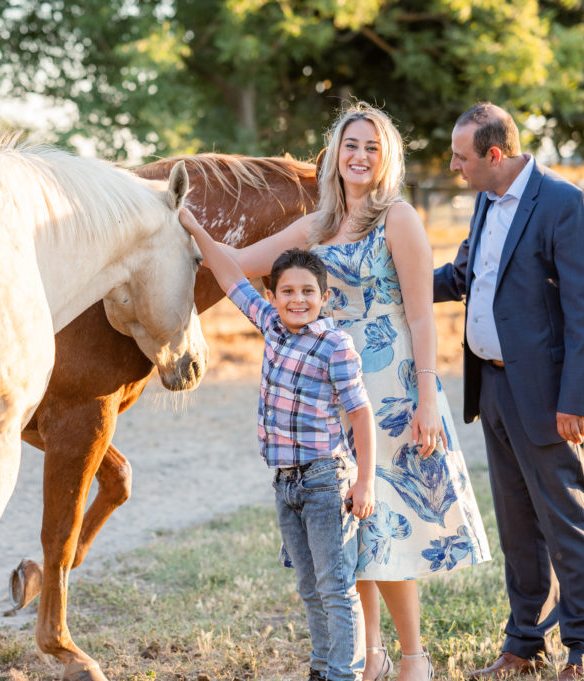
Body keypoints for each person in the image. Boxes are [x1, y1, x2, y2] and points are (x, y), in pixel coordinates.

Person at [231, 102, 491, 681]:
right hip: (335, 395)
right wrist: (177, 227)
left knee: (393, 522)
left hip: (394, 388)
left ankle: (413, 659)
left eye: (372, 147)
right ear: (335, 154)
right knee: (355, 528)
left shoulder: (397, 219)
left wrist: (427, 398)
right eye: (352, 145)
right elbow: (242, 265)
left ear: (386, 158)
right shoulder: (317, 226)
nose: (360, 155)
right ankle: (367, 656)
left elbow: (423, 318)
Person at [433, 102, 584, 681]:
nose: (453, 167)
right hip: (492, 385)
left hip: (547, 395)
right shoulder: (486, 203)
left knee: (565, 516)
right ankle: (524, 643)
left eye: (461, 157)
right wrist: (399, 282)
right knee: (517, 521)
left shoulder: (564, 203)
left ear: (495, 154)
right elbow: (467, 277)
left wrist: (576, 400)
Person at [180, 207, 376, 681]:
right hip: (285, 482)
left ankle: (343, 674)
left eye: (308, 292)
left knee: (335, 586)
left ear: (325, 298)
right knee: (309, 587)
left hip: (327, 481)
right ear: (272, 295)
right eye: (287, 291)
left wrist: (365, 482)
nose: (297, 299)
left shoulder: (335, 345)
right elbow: (229, 276)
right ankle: (321, 667)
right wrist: (194, 226)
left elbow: (360, 414)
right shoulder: (269, 324)